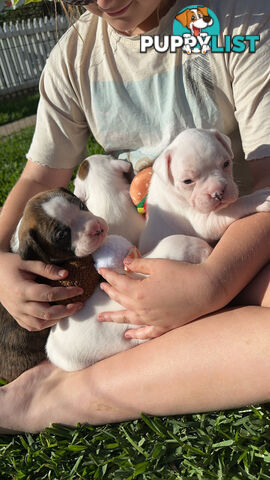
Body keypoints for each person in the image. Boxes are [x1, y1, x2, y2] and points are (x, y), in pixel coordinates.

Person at [0, 0, 269, 434]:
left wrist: (215, 282)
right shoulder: (74, 57)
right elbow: (38, 178)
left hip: (241, 239)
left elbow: (267, 179)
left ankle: (59, 395)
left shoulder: (241, 19)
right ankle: (48, 396)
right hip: (126, 262)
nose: (103, 1)